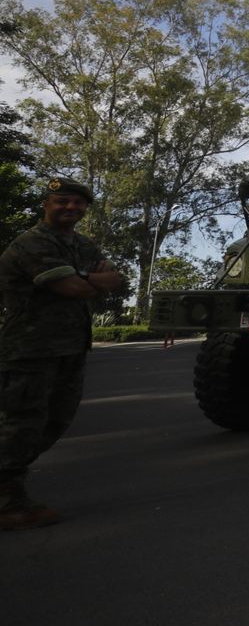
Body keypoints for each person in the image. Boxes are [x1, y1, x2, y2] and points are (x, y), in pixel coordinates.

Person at [0, 178, 125, 529]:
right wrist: (86, 279)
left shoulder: (80, 244)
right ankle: (7, 500)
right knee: (22, 422)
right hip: (30, 349)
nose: (71, 208)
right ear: (47, 203)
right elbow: (70, 288)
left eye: (78, 203)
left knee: (56, 419)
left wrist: (83, 276)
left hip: (70, 346)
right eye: (63, 201)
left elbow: (115, 281)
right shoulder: (32, 243)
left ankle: (9, 487)